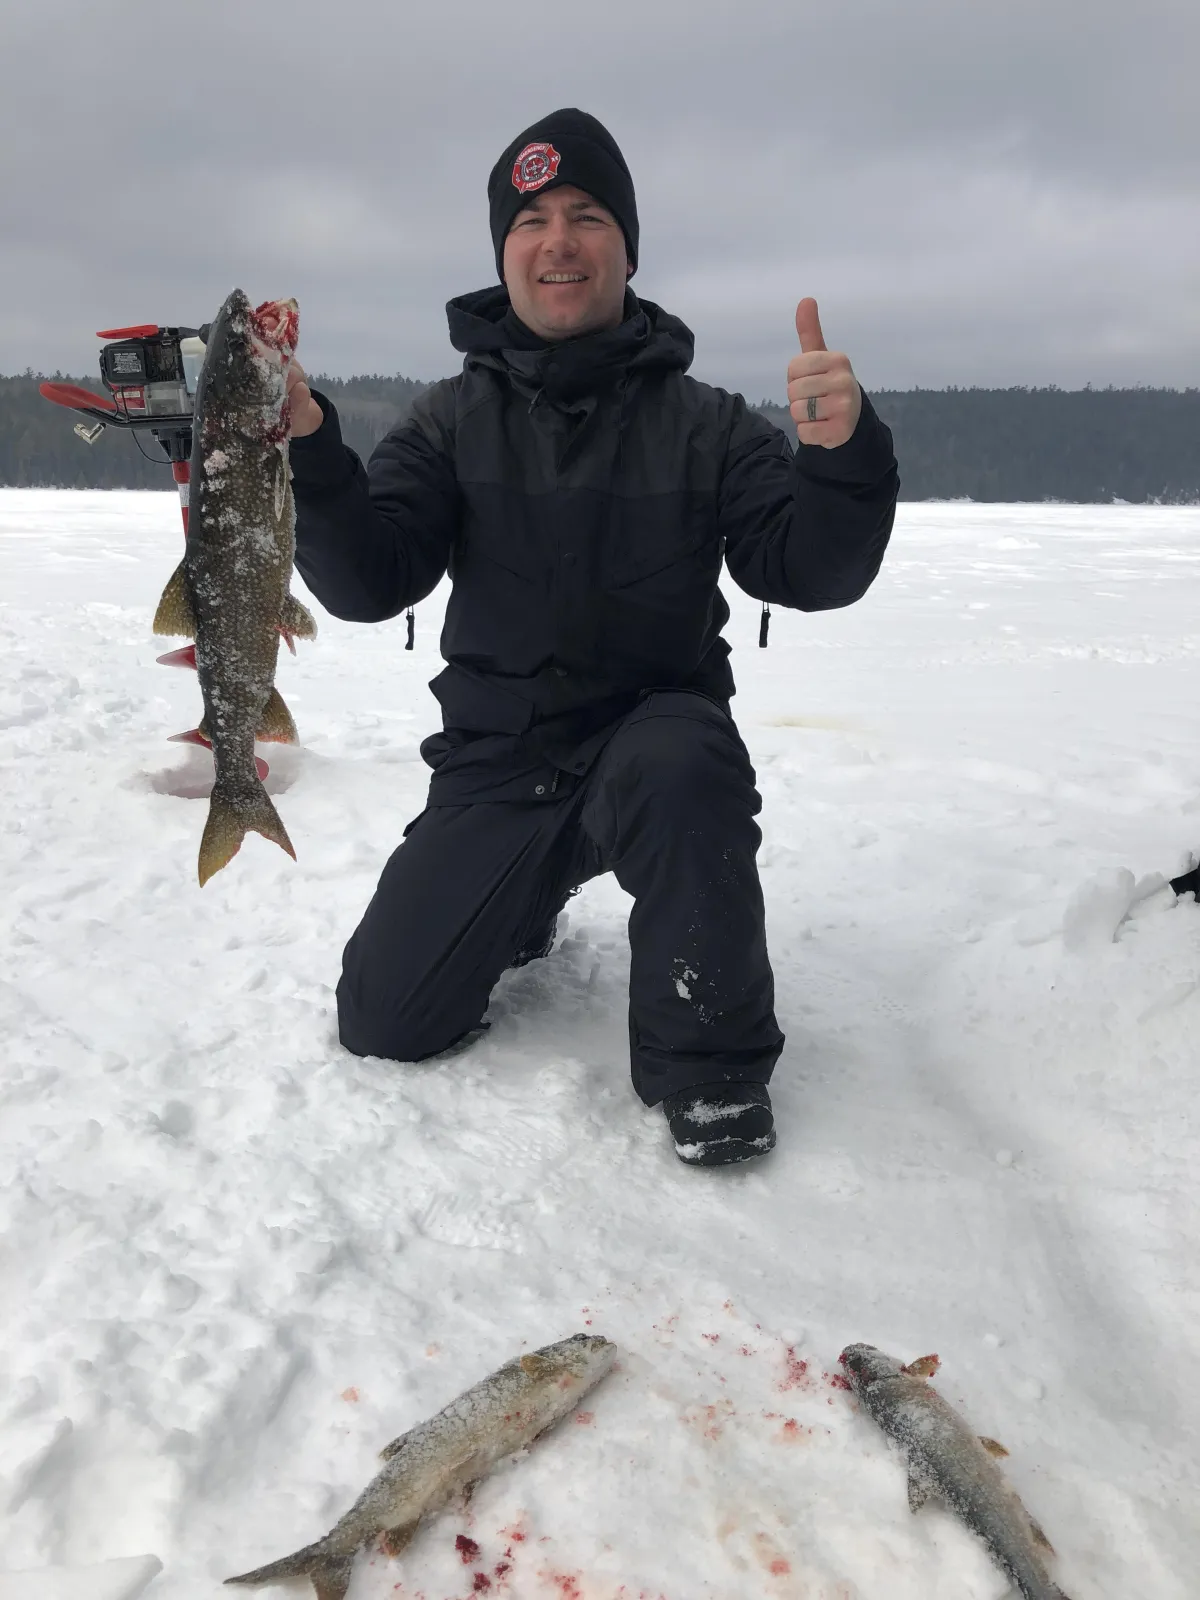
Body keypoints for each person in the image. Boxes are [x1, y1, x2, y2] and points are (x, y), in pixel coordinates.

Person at [286, 108, 899, 1167]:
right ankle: (517, 904)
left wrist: (843, 457)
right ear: (503, 253)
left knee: (680, 754)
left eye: (585, 215)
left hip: (651, 759)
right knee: (385, 1020)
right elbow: (367, 581)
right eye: (530, 220)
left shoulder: (706, 423)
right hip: (498, 765)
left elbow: (809, 567)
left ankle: (709, 1070)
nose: (557, 241)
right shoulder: (447, 421)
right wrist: (313, 459)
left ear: (626, 248)